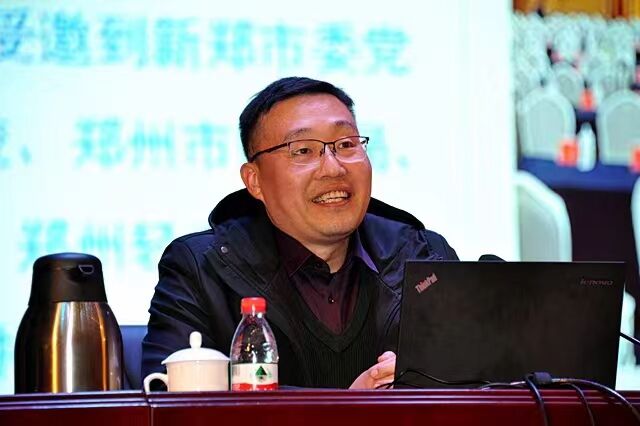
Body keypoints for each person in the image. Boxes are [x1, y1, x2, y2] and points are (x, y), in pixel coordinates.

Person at [142, 76, 458, 389]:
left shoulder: (425, 257)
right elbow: (167, 403)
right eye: (303, 150)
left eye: (346, 145)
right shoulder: (200, 269)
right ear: (254, 181)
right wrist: (350, 409)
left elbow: (475, 389)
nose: (333, 168)